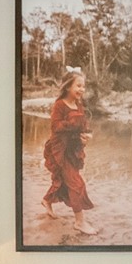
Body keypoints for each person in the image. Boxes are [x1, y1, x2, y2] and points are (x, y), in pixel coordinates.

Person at [41, 67, 97, 237]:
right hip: (60, 150)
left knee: (65, 180)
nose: (82, 89)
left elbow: (84, 125)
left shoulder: (78, 104)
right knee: (75, 183)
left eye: (83, 86)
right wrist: (73, 125)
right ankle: (80, 222)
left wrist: (85, 136)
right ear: (67, 87)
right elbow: (56, 126)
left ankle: (46, 200)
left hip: (72, 149)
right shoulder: (59, 105)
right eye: (78, 86)